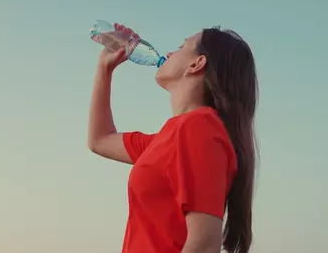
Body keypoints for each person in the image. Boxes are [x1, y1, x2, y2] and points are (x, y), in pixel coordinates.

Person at [87, 24, 258, 253]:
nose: (168, 53)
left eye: (180, 47)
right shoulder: (174, 136)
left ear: (197, 64)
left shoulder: (200, 128)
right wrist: (104, 68)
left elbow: (205, 245)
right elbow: (100, 140)